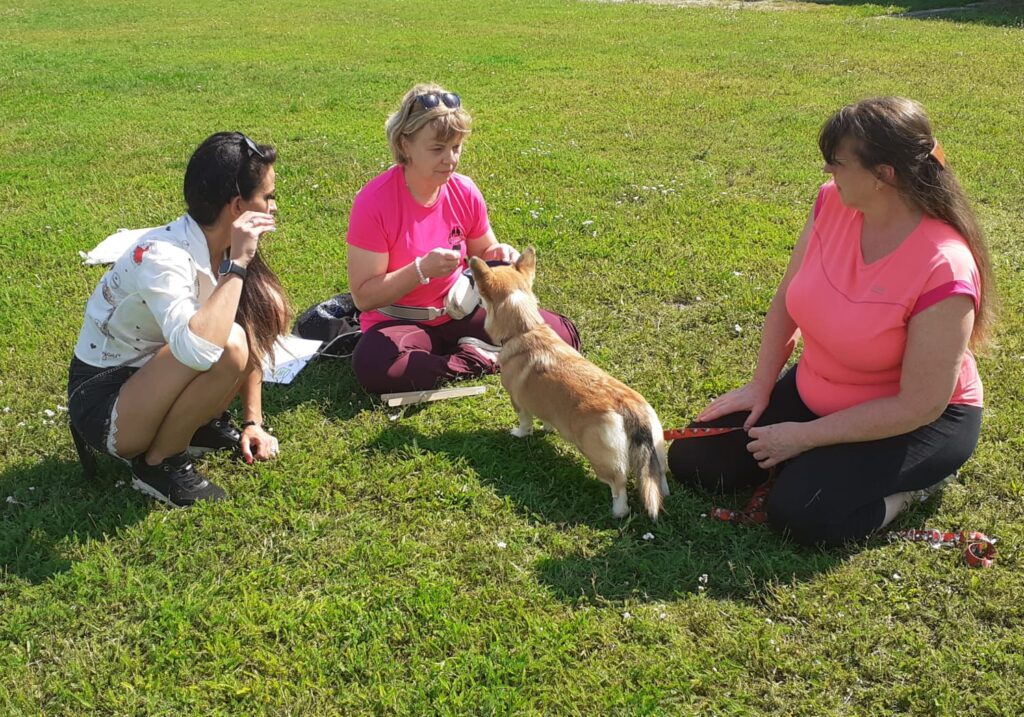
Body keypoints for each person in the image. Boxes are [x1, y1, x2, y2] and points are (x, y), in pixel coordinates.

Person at [669, 97, 993, 547]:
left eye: (836, 162)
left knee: (803, 512)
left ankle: (911, 491)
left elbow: (919, 404)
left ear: (883, 175)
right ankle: (811, 463)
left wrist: (804, 438)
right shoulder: (831, 204)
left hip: (915, 421)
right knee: (695, 461)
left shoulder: (945, 265)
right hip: (818, 391)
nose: (827, 171)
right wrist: (760, 386)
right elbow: (787, 298)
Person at [68, 132, 290, 507]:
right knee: (226, 343)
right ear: (237, 206)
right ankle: (158, 464)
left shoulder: (220, 245)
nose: (274, 207)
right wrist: (237, 267)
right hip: (105, 400)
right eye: (267, 197)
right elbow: (197, 350)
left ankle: (197, 426)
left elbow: (250, 328)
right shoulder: (162, 257)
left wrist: (253, 421)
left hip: (154, 376)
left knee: (254, 314)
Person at [346, 83, 581, 394]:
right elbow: (364, 297)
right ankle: (482, 357)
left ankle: (461, 357)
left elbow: (483, 252)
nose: (450, 159)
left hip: (460, 307)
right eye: (437, 149)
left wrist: (499, 253)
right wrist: (420, 270)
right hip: (400, 321)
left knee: (563, 334)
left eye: (456, 147)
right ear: (405, 144)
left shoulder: (463, 190)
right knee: (377, 366)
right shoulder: (374, 202)